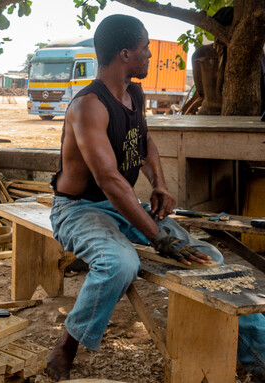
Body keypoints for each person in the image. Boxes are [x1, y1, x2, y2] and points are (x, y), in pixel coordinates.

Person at [46, 14, 265, 381]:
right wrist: (157, 236)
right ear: (125, 53)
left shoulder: (133, 92)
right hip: (79, 210)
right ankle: (67, 344)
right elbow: (110, 180)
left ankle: (258, 356)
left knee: (207, 258)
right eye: (146, 48)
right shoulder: (88, 107)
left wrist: (159, 184)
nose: (151, 54)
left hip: (119, 206)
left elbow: (143, 141)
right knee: (120, 263)